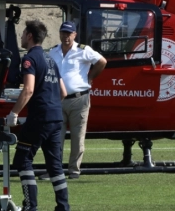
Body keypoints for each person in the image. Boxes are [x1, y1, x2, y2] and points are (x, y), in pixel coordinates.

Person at [6, 20, 69, 211]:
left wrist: (13, 113)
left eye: (23, 32)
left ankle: (30, 206)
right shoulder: (51, 59)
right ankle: (63, 207)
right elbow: (63, 92)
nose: (22, 36)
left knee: (23, 160)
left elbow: (28, 89)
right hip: (56, 117)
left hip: (40, 118)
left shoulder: (30, 59)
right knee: (55, 166)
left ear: (30, 36)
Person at [45, 21, 107, 179]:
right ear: (59, 34)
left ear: (75, 35)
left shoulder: (83, 50)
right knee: (55, 137)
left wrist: (91, 77)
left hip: (79, 99)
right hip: (58, 99)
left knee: (77, 136)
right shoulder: (53, 52)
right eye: (63, 33)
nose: (66, 36)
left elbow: (102, 61)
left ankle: (74, 170)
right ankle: (55, 169)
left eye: (69, 33)